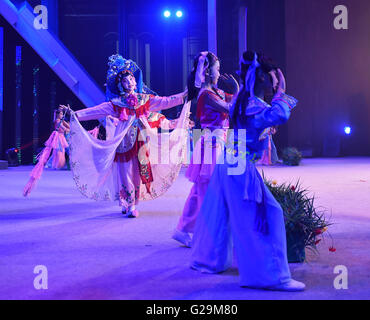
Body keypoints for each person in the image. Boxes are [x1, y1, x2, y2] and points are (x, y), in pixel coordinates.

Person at [190, 52, 305, 291]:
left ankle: (210, 260)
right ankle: (271, 277)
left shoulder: (246, 101)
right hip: (238, 167)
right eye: (273, 78)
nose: (275, 82)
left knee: (220, 215)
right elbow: (280, 114)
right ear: (262, 78)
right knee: (265, 216)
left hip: (230, 163)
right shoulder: (252, 104)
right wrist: (282, 92)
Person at [63, 54, 191, 217]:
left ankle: (131, 204)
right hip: (124, 143)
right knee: (125, 174)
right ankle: (127, 203)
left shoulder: (145, 100)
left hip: (142, 141)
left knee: (137, 174)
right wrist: (74, 114)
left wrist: (184, 95)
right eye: (125, 80)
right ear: (120, 85)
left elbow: (165, 101)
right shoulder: (116, 104)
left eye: (131, 79)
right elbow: (95, 111)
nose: (130, 82)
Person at [172, 51, 239, 247]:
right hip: (212, 144)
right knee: (208, 189)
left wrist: (239, 91)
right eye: (218, 69)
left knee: (200, 189)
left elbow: (237, 103)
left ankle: (182, 229)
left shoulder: (215, 92)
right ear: (208, 72)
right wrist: (235, 91)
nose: (220, 73)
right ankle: (207, 233)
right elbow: (230, 109)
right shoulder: (206, 94)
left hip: (218, 142)